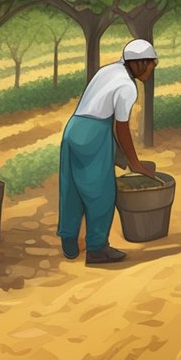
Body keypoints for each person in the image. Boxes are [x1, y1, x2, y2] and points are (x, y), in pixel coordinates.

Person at [58, 39, 158, 264]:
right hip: (94, 133)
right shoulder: (127, 87)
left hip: (73, 129)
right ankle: (96, 248)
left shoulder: (109, 70)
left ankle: (68, 238)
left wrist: (122, 156)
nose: (151, 71)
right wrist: (134, 162)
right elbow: (120, 128)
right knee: (101, 192)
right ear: (140, 63)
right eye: (151, 65)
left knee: (71, 187)